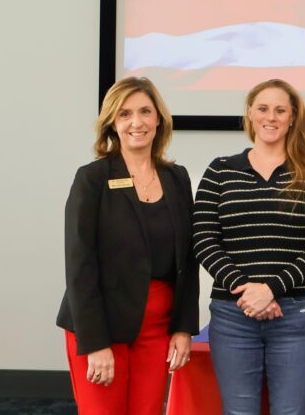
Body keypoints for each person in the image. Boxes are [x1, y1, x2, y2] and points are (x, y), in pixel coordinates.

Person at [56, 77, 198, 415]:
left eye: (145, 111)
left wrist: (183, 327)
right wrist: (96, 343)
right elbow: (80, 265)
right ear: (112, 124)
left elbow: (188, 258)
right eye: (125, 114)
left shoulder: (177, 178)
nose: (137, 122)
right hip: (102, 323)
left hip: (158, 326)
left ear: (159, 119)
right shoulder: (93, 179)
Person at [193, 78, 305, 414]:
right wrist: (247, 291)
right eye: (263, 108)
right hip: (233, 315)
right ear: (250, 114)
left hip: (295, 316)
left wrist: (270, 289)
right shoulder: (220, 171)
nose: (271, 117)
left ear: (292, 117)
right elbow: (203, 239)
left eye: (280, 110)